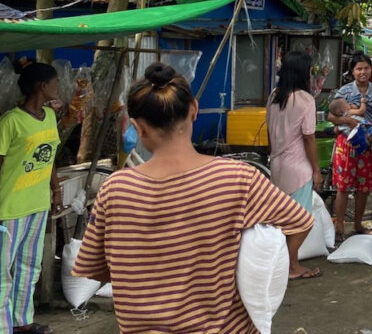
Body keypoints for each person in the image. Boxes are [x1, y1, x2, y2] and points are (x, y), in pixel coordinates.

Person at [73, 63, 312, 333]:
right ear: (194, 110)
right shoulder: (237, 178)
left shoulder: (114, 189)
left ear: (137, 127)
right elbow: (301, 222)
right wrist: (255, 275)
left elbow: (94, 267)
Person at [0, 61, 62, 334]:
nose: (58, 87)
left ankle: (22, 321)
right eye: (55, 82)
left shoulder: (50, 116)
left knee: (30, 266)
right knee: (0, 271)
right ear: (43, 86)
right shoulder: (9, 122)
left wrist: (56, 190)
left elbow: (50, 155)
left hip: (38, 205)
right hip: (10, 208)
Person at [266, 50, 323, 280]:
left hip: (277, 163)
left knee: (283, 219)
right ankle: (290, 266)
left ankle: (290, 264)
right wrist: (317, 170)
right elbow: (309, 137)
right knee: (303, 220)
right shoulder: (305, 100)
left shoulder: (274, 95)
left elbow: (269, 130)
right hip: (298, 167)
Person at [328, 53, 372, 239]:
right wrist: (347, 121)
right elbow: (331, 116)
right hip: (346, 144)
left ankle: (358, 224)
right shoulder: (344, 92)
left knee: (364, 188)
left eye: (366, 68)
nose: (363, 72)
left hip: (368, 144)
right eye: (359, 68)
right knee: (343, 187)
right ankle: (339, 227)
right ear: (352, 71)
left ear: (371, 69)